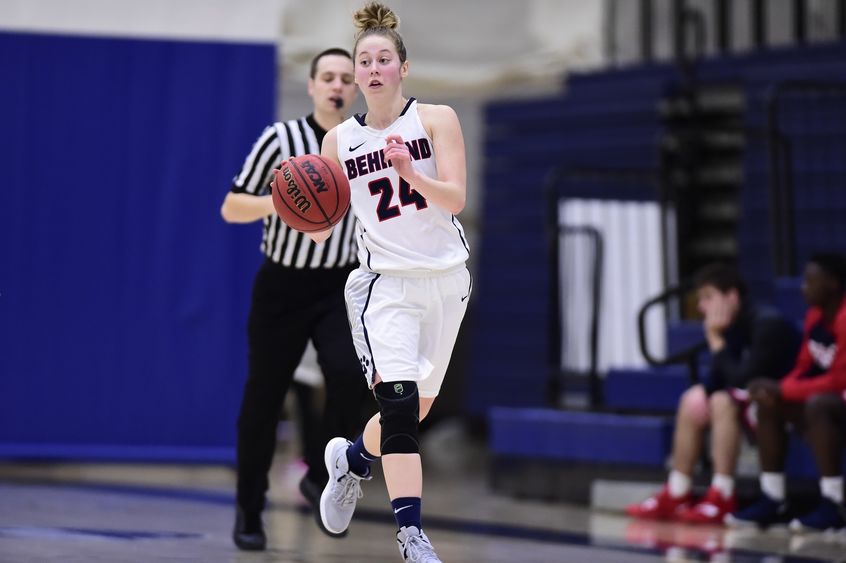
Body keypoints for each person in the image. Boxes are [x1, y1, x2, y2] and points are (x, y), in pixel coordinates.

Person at [302, 4, 471, 561]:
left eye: (383, 59)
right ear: (356, 75)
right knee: (399, 409)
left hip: (446, 282)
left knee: (415, 411)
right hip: (386, 289)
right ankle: (411, 534)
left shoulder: (436, 119)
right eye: (363, 61)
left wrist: (411, 174)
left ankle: (351, 460)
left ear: (402, 67)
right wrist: (307, 214)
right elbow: (328, 225)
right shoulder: (338, 144)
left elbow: (456, 200)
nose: (373, 69)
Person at [221, 47, 368, 551]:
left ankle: (318, 472)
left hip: (339, 285)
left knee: (352, 378)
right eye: (328, 76)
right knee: (264, 397)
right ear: (311, 85)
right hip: (282, 285)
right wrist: (280, 199)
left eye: (347, 78)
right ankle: (248, 508)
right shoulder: (279, 139)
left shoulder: (364, 143)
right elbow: (232, 206)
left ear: (357, 88)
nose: (337, 85)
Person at [626, 263, 800, 524]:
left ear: (732, 297)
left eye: (708, 297)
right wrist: (707, 384)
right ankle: (677, 491)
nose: (701, 308)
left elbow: (742, 381)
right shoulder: (733, 325)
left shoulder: (767, 324)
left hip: (783, 407)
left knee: (721, 400)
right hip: (757, 406)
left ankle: (722, 494)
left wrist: (715, 341)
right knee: (693, 398)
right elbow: (717, 380)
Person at [726, 253, 846, 532]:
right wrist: (774, 390)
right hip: (834, 401)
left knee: (817, 404)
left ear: (832, 284)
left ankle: (834, 501)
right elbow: (803, 367)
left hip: (836, 398)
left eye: (810, 281)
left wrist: (783, 388)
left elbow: (839, 380)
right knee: (771, 404)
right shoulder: (815, 316)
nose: (803, 287)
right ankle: (774, 497)